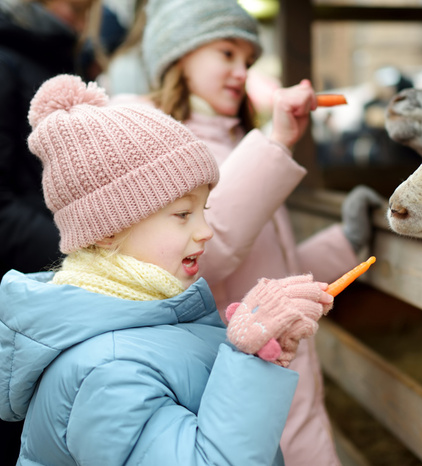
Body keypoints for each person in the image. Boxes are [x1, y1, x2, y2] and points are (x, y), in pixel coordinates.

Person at [0, 74, 334, 465]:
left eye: (205, 210)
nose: (205, 231)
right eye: (183, 214)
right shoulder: (110, 371)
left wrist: (257, 357)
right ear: (108, 230)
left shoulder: (147, 318)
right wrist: (248, 363)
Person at [133, 1, 384, 464]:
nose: (239, 71)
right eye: (226, 53)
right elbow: (203, 257)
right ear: (177, 55)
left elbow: (264, 266)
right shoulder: (157, 147)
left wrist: (343, 244)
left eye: (247, 60)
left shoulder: (234, 141)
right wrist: (277, 141)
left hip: (280, 365)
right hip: (237, 375)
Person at [0, 1, 101, 464]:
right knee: (29, 415)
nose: (80, 12)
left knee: (34, 422)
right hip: (0, 294)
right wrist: (81, 248)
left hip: (44, 284)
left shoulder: (53, 59)